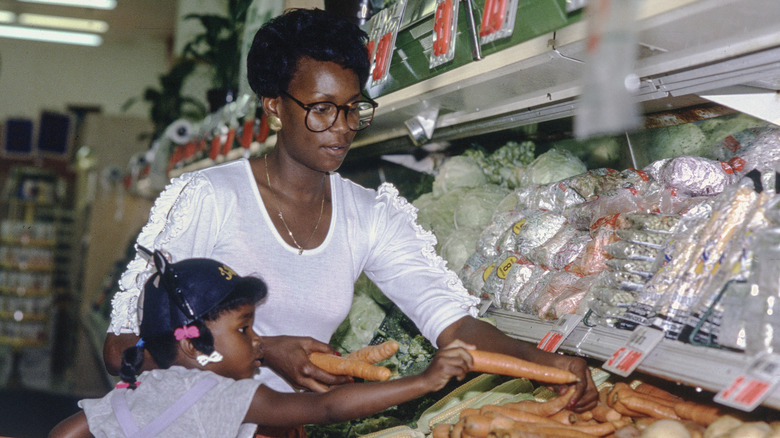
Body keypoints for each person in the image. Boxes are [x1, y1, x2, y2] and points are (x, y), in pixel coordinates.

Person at [103, 7, 597, 414]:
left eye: (353, 108)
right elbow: (122, 348)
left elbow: (453, 323)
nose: (341, 127)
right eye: (321, 108)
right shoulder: (209, 198)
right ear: (274, 107)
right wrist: (265, 349)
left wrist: (550, 362)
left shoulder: (370, 215)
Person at [52, 251, 474, 438]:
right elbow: (325, 409)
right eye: (244, 330)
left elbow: (66, 431)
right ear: (195, 346)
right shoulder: (221, 395)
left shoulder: (139, 389)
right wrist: (424, 381)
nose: (259, 342)